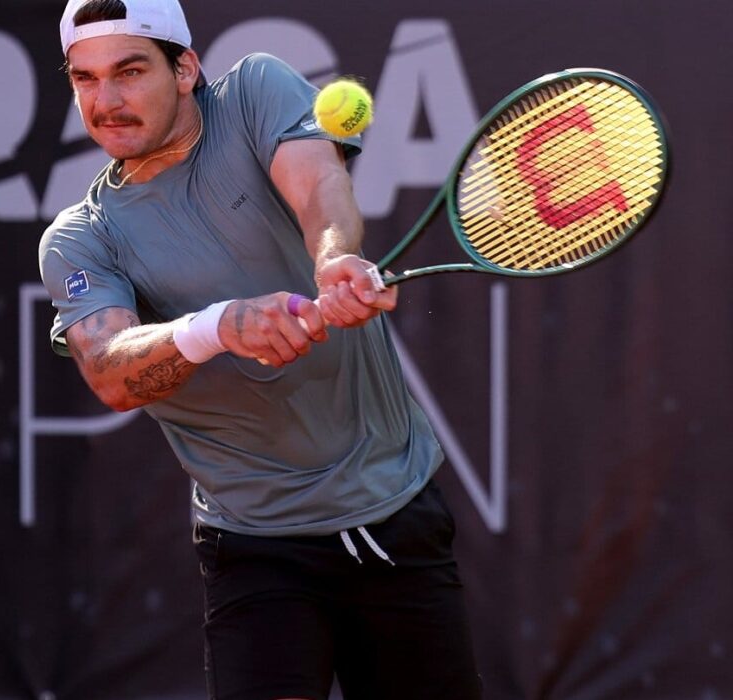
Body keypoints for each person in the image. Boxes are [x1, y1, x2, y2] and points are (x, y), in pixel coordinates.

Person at [38, 0, 485, 698]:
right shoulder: (79, 238)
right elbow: (109, 371)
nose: (107, 101)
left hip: (393, 510)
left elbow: (320, 185)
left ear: (185, 69)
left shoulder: (255, 91)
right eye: (85, 78)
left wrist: (333, 259)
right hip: (254, 547)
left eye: (129, 71)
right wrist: (218, 327)